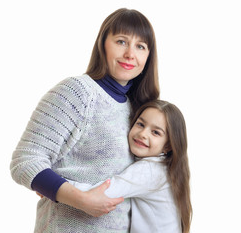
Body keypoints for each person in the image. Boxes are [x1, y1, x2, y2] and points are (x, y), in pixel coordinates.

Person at [10, 8, 159, 232]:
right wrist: (79, 199)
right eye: (121, 41)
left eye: (140, 46)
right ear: (103, 45)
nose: (130, 54)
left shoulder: (139, 110)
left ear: (148, 56)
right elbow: (26, 160)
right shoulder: (77, 92)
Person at [65, 100, 192, 233]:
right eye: (141, 124)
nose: (143, 134)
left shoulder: (149, 171)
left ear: (168, 146)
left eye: (156, 132)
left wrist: (57, 184)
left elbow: (101, 192)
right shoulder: (165, 169)